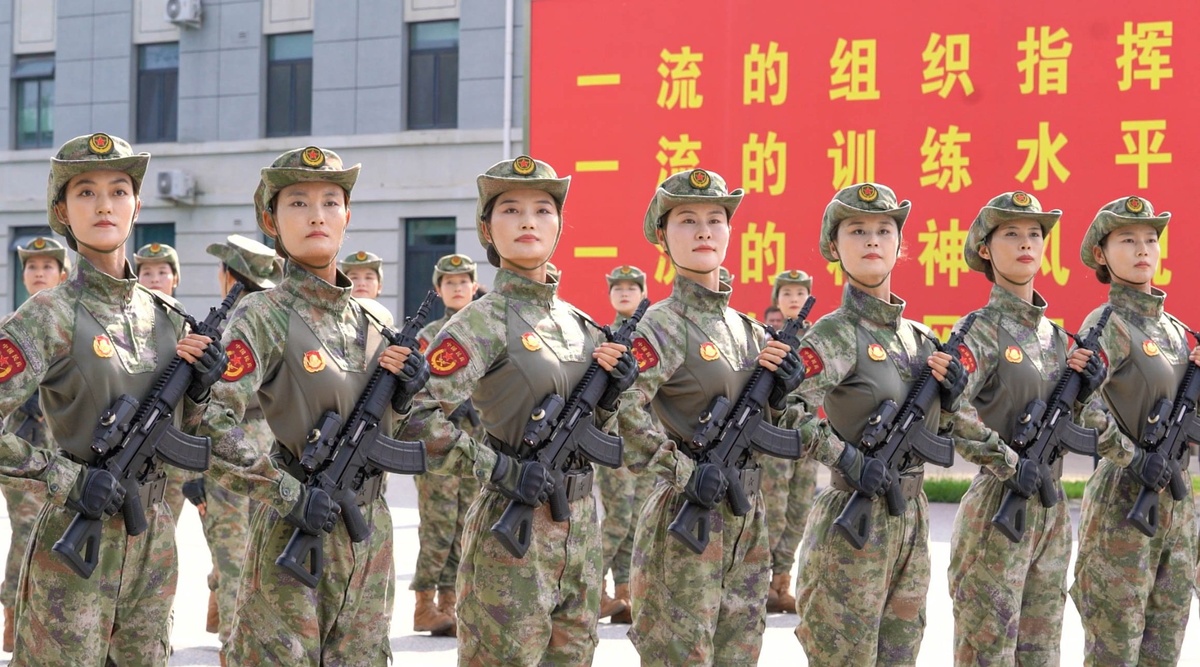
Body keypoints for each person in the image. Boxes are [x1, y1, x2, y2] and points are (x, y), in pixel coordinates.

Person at [185, 146, 426, 666]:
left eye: (330, 201)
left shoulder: (375, 321)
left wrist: (404, 400)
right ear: (271, 220)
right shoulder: (262, 315)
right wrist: (284, 490)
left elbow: (405, 436)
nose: (317, 214)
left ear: (348, 215)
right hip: (295, 528)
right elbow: (209, 423)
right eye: (298, 203)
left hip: (369, 536)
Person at [400, 155, 635, 665]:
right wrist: (498, 467)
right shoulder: (478, 323)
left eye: (542, 210)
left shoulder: (582, 324)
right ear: (487, 228)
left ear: (559, 226)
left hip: (579, 526)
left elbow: (604, 433)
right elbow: (413, 415)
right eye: (511, 209)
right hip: (514, 526)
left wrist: (611, 397)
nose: (528, 221)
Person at [0, 133, 224, 666]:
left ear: (137, 205)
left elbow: (201, 435)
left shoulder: (168, 316)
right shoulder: (46, 314)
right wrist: (63, 477)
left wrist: (201, 392)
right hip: (72, 537)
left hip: (153, 540)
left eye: (119, 190)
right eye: (86, 192)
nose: (104, 204)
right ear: (62, 211)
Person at [618, 168, 804, 665]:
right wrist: (683, 471)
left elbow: (785, 431)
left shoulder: (747, 330)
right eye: (687, 220)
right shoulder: (658, 324)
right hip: (687, 516)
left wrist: (782, 397)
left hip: (745, 515)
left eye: (716, 219)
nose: (704, 231)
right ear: (662, 235)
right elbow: (617, 412)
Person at [787, 182, 966, 666]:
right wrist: (845, 457)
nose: (872, 240)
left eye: (884, 230)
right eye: (857, 230)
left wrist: (949, 403)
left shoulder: (922, 339)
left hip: (911, 514)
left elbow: (944, 434)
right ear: (833, 246)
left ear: (899, 245)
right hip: (854, 513)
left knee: (900, 655)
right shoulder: (833, 333)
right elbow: (789, 411)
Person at [943, 192, 1102, 665]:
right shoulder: (979, 330)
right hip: (998, 505)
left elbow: (1076, 425)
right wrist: (1008, 463)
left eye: (1035, 234)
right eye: (1011, 233)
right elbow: (952, 411)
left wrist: (1086, 391)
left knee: (1041, 648)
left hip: (1050, 509)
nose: (1027, 243)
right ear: (986, 250)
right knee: (987, 648)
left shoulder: (1056, 337)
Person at [1071, 196, 1199, 666]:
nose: (1143, 248)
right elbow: (1081, 408)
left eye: (1150, 239)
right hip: (1126, 497)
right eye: (1128, 239)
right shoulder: (1106, 324)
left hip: (1176, 500)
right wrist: (1132, 457)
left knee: (1165, 646)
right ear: (1102, 255)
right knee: (1115, 648)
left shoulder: (1173, 328)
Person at [187, 234, 283, 648]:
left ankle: (233, 643)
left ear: (229, 277)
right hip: (276, 446)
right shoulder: (281, 320)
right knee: (259, 549)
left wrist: (192, 471)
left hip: (229, 444)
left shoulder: (228, 328)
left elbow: (201, 410)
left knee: (232, 552)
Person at [409, 252, 485, 637]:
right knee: (437, 528)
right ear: (439, 291)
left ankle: (450, 604)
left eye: (463, 281)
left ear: (474, 287)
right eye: (449, 282)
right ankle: (423, 604)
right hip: (438, 444)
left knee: (465, 525)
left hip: (476, 445)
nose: (457, 287)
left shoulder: (484, 328)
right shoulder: (429, 335)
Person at [0, 236, 69, 652]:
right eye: (31, 266)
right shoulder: (12, 328)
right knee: (26, 535)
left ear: (63, 274)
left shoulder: (76, 325)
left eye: (47, 266)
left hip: (71, 455)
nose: (38, 272)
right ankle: (14, 615)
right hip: (25, 455)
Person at [760, 268, 819, 614]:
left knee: (799, 510)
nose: (794, 299)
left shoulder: (823, 338)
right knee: (774, 510)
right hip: (777, 437)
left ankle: (782, 582)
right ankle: (760, 581)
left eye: (800, 293)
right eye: (787, 294)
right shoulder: (767, 340)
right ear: (777, 301)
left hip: (808, 437)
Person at [594, 264, 649, 624]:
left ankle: (626, 592)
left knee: (637, 518)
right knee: (619, 515)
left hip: (647, 438)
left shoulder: (656, 336)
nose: (625, 293)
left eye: (632, 288)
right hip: (615, 439)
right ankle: (592, 587)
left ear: (644, 293)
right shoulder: (605, 337)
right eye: (618, 288)